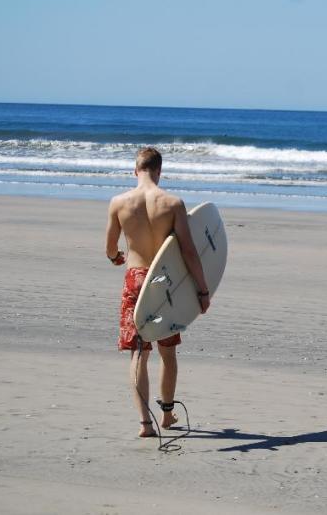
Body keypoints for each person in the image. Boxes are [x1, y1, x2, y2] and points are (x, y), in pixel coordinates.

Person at [105, 147, 210, 438]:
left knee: (138, 354)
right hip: (165, 281)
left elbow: (111, 248)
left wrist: (116, 258)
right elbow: (189, 251)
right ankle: (166, 414)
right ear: (160, 171)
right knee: (168, 352)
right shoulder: (173, 203)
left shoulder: (118, 202)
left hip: (136, 279)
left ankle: (145, 424)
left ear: (134, 170)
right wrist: (202, 291)